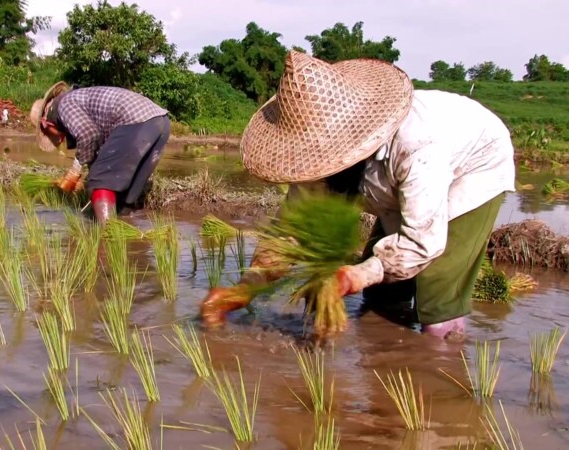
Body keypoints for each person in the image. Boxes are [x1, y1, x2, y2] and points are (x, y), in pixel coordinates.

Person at [198, 51, 516, 341]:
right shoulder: (313, 160)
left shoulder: (417, 147)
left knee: (437, 289)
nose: (315, 165)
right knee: (381, 295)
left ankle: (442, 366)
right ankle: (386, 354)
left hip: (473, 168)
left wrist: (351, 277)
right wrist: (245, 289)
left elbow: (423, 242)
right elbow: (289, 233)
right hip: (401, 181)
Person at [29, 82, 171, 224]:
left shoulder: (64, 105)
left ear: (45, 123)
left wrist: (75, 171)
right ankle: (125, 231)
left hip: (136, 121)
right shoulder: (78, 99)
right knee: (125, 196)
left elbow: (89, 135)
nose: (59, 138)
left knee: (100, 181)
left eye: (49, 134)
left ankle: (107, 234)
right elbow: (101, 147)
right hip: (160, 122)